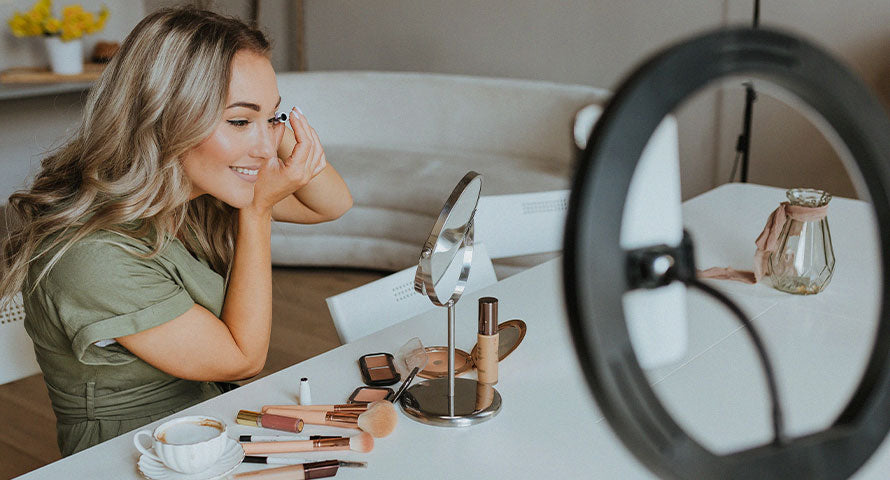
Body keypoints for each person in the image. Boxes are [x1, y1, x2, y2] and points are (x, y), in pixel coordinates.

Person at [0, 7, 352, 456]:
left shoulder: (194, 192)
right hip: (131, 454)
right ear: (165, 117)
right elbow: (243, 359)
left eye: (274, 119)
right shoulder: (90, 255)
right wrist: (258, 211)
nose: (266, 148)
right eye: (239, 121)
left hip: (212, 426)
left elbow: (333, 204)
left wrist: (268, 125)